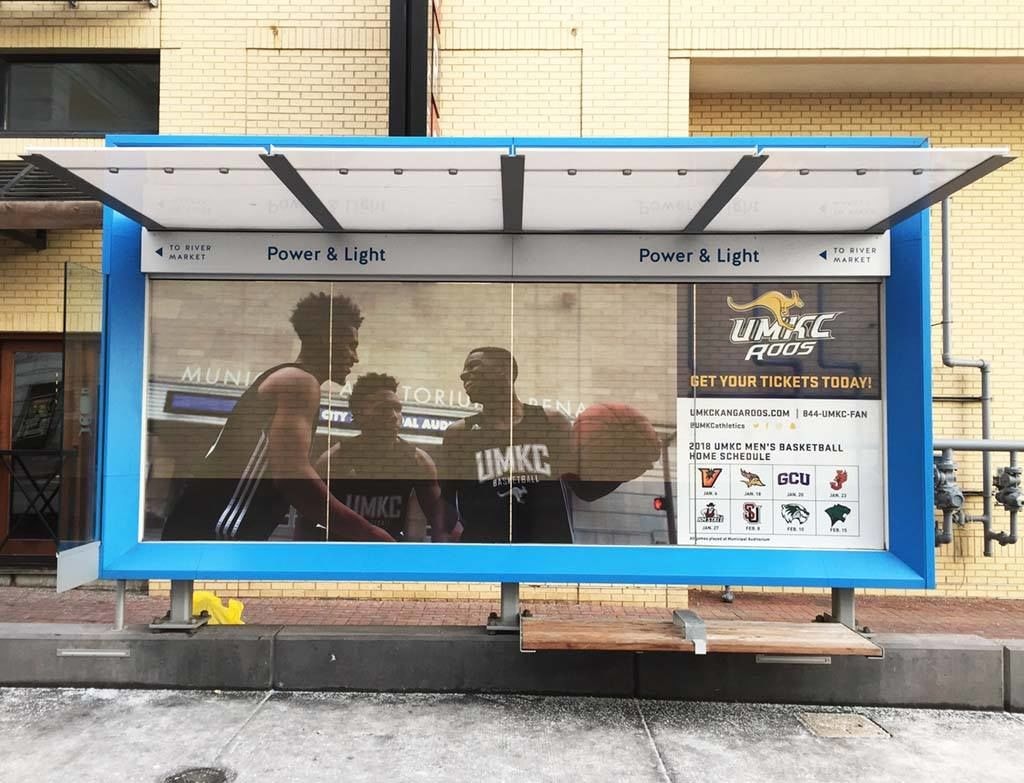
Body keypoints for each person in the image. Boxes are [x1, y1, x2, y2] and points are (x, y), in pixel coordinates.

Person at [161, 291, 393, 542]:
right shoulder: (299, 382)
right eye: (350, 345)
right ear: (326, 339)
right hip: (215, 531)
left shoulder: (292, 379)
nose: (355, 358)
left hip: (206, 529)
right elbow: (294, 478)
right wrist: (368, 532)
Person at [438, 347, 629, 544]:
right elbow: (445, 503)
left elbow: (585, 489)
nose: (463, 375)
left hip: (546, 551)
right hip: (487, 553)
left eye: (473, 366)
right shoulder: (459, 433)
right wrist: (452, 540)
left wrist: (626, 465)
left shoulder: (551, 422)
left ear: (504, 370)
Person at [312, 372, 448, 542]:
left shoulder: (418, 461)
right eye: (383, 409)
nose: (394, 416)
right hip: (343, 551)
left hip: (390, 552)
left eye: (398, 409)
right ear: (359, 414)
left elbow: (441, 522)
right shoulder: (333, 460)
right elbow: (309, 518)